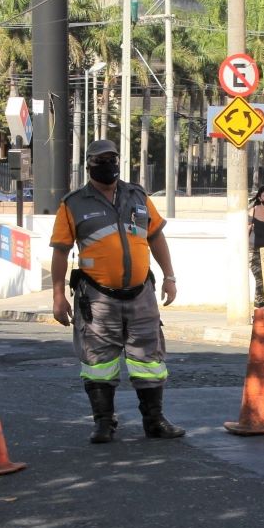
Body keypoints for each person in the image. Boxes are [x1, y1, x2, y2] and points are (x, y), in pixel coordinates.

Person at [50, 139, 185, 444]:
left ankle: (154, 421)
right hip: (96, 297)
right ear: (89, 165)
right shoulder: (73, 204)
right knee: (98, 362)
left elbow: (156, 237)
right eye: (100, 160)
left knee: (149, 359)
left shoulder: (137, 195)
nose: (107, 164)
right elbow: (60, 252)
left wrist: (170, 277)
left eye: (111, 158)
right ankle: (103, 422)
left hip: (141, 295)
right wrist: (58, 296)